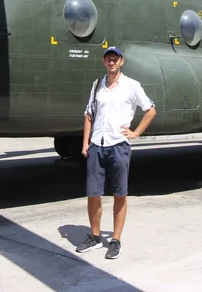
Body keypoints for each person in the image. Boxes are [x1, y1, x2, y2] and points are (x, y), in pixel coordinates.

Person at [75, 46, 157, 260]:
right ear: (104, 63)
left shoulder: (131, 86)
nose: (111, 62)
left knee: (120, 194)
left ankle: (116, 240)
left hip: (119, 145)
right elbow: (88, 115)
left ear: (121, 62)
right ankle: (94, 235)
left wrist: (136, 132)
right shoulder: (97, 85)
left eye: (115, 59)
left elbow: (150, 110)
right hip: (97, 145)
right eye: (108, 59)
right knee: (93, 193)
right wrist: (85, 143)